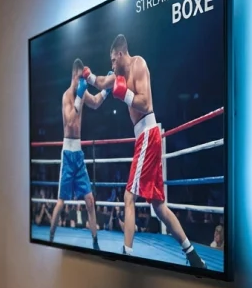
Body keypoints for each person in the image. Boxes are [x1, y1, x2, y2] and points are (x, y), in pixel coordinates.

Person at [82, 34, 206, 268]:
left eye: (112, 60)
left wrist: (124, 94)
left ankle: (126, 255)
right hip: (144, 137)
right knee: (158, 206)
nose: (111, 65)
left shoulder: (139, 64)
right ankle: (192, 255)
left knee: (129, 197)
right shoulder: (116, 76)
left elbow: (146, 104)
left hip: (149, 132)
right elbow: (98, 97)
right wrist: (85, 80)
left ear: (120, 54)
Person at [48, 58, 107, 250]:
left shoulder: (82, 90)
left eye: (84, 78)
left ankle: (95, 241)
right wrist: (80, 96)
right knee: (61, 202)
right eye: (80, 78)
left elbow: (96, 103)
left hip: (79, 154)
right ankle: (50, 237)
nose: (82, 81)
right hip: (67, 154)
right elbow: (70, 121)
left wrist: (107, 89)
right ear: (74, 76)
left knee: (89, 200)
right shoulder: (66, 96)